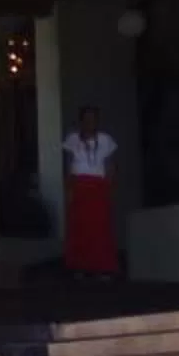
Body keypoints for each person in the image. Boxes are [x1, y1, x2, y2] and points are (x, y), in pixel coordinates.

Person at [61, 107, 120, 280]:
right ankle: (80, 266)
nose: (89, 122)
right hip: (79, 187)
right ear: (81, 121)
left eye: (93, 119)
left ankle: (102, 268)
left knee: (100, 228)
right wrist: (69, 189)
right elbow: (68, 165)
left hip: (98, 188)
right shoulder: (72, 139)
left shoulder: (105, 140)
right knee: (79, 227)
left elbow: (111, 166)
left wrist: (110, 188)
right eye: (86, 119)